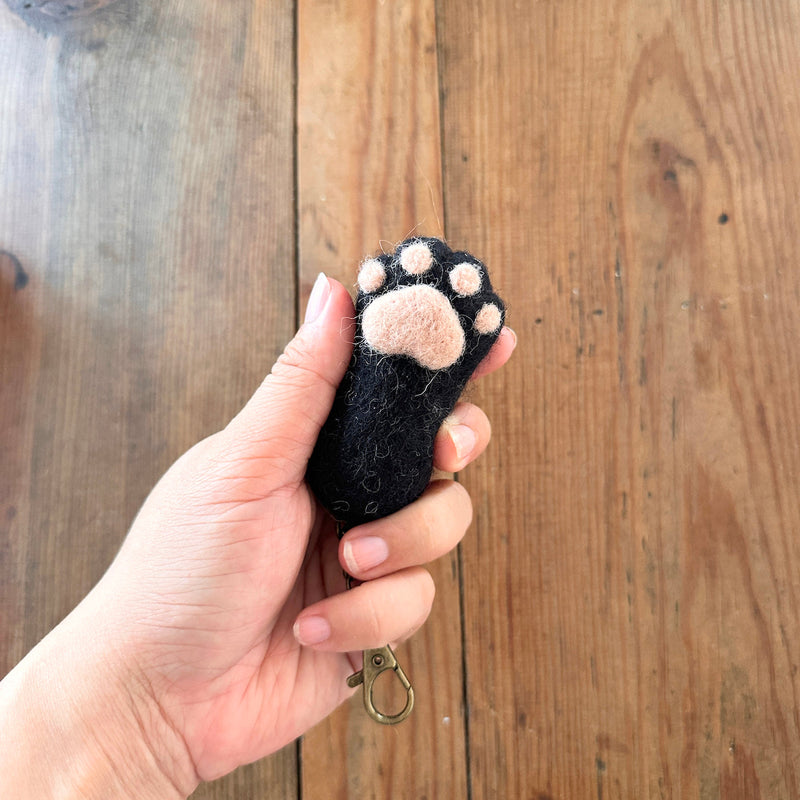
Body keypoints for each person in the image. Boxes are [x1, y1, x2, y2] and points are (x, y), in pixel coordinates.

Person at [0, 273, 515, 798]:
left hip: (334, 507)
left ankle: (400, 365)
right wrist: (146, 718)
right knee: (396, 478)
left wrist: (145, 722)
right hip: (348, 509)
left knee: (394, 477)